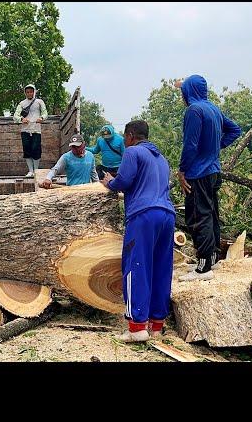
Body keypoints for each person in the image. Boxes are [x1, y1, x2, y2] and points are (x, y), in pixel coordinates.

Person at [100, 120, 176, 342]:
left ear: (131, 135)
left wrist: (109, 183)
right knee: (161, 268)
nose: (124, 142)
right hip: (167, 215)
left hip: (143, 215)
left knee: (136, 267)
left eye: (125, 137)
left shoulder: (133, 152)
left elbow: (124, 180)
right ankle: (156, 326)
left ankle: (136, 329)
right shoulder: (162, 160)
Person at [175, 75, 242, 282]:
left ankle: (203, 268)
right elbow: (234, 130)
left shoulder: (194, 111)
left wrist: (182, 170)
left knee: (198, 216)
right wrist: (214, 148)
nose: (182, 95)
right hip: (213, 170)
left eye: (183, 91)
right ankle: (211, 258)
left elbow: (190, 145)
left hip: (198, 173)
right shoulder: (213, 109)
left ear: (189, 91)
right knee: (211, 213)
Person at [14, 84, 48, 177]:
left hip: (36, 130)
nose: (29, 93)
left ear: (34, 92)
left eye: (31, 91)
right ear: (25, 93)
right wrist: (21, 119)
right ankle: (30, 171)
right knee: (27, 150)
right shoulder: (22, 103)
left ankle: (36, 171)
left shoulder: (39, 102)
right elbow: (15, 116)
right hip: (25, 130)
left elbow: (45, 113)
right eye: (27, 92)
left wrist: (42, 118)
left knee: (36, 149)